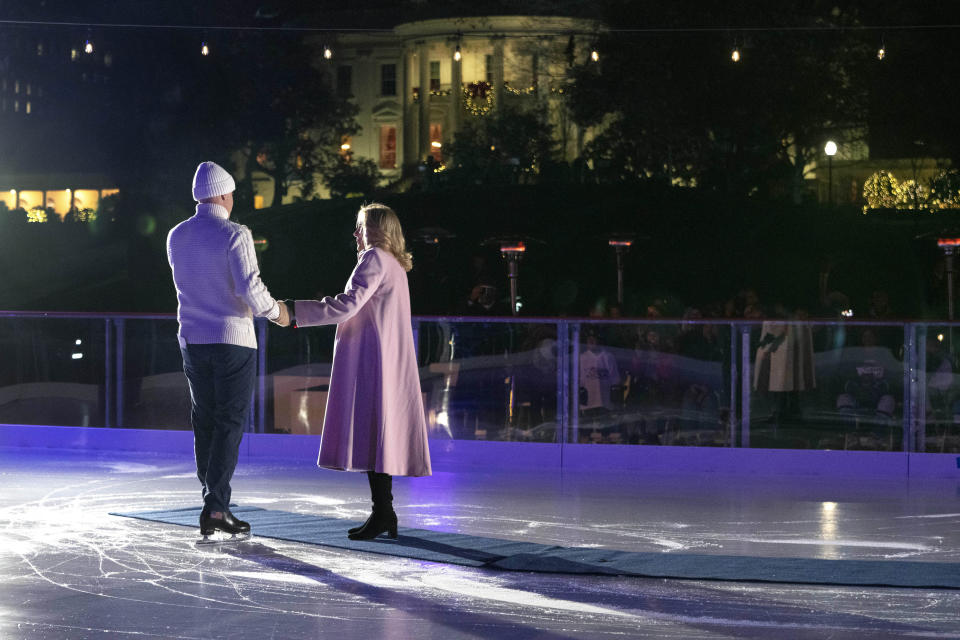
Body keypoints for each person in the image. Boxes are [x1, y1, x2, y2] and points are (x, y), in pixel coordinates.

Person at [288, 203, 431, 540]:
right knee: (379, 434)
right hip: (387, 359)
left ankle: (383, 512)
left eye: (361, 227)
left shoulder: (374, 258)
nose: (355, 234)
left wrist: (293, 312)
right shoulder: (394, 263)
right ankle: (385, 512)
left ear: (378, 231)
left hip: (373, 360)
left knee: (373, 431)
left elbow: (347, 304)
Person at [167, 161, 290, 539]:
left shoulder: (176, 235)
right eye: (232, 193)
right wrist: (277, 313)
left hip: (192, 338)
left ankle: (213, 500)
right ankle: (216, 507)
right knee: (229, 422)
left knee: (204, 420)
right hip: (232, 338)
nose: (234, 199)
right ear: (222, 194)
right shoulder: (236, 234)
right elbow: (250, 288)